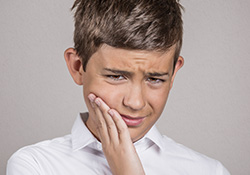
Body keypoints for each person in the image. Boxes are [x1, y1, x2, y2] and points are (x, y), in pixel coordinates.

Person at [7, 0, 230, 174]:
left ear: (173, 74)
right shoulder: (35, 165)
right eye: (116, 76)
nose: (135, 102)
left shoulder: (209, 171)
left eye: (155, 79)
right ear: (77, 67)